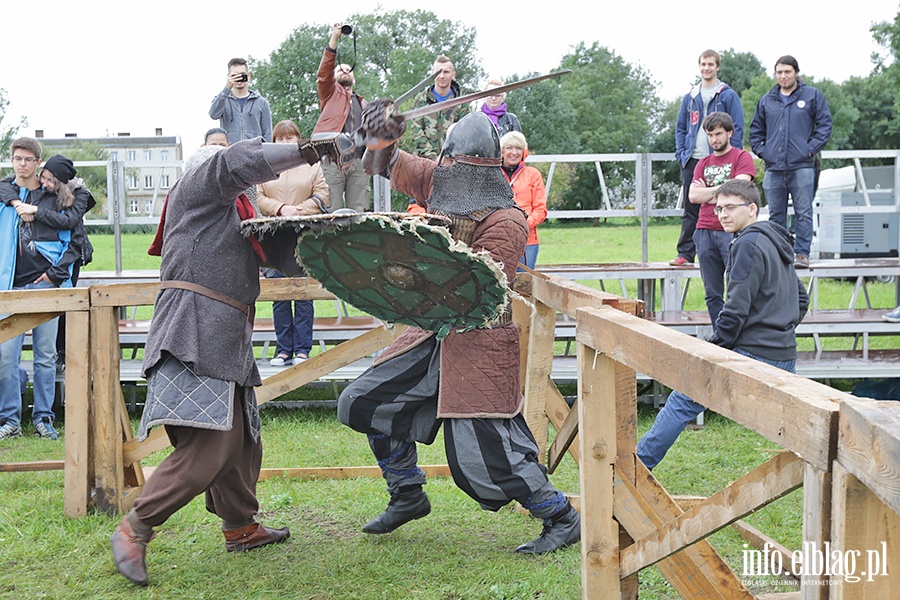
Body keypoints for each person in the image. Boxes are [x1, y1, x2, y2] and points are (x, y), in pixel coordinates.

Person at [338, 109, 580, 555]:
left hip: (479, 342)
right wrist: (381, 132)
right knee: (363, 402)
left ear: (480, 168)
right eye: (446, 167)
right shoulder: (440, 179)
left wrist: (426, 251)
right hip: (429, 334)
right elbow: (383, 161)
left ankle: (561, 516)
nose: (449, 175)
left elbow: (482, 288)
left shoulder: (507, 220)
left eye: (458, 169)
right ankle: (408, 493)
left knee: (489, 452)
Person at [110, 138, 319, 586]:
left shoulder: (234, 214)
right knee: (210, 446)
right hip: (193, 331)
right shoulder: (197, 190)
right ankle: (136, 526)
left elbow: (284, 251)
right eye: (239, 183)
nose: (244, 188)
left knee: (242, 443)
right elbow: (232, 163)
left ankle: (241, 527)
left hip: (226, 338)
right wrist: (308, 151)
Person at [637, 179, 809, 470]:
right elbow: (802, 300)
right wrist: (781, 328)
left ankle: (637, 467)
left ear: (752, 208)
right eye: (718, 209)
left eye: (730, 207)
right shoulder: (776, 240)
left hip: (754, 353)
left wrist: (714, 350)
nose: (723, 214)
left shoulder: (746, 243)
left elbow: (735, 309)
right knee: (796, 429)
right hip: (785, 355)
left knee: (684, 397)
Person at [0, 143, 86, 441]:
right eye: (17, 159)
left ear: (38, 162)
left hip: (46, 286)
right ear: (11, 160)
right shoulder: (4, 195)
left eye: (28, 159)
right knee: (5, 356)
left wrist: (54, 273)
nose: (22, 165)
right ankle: (9, 418)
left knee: (46, 355)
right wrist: (14, 204)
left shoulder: (55, 197)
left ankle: (43, 418)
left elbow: (74, 241)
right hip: (8, 288)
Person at [257, 120, 330, 367]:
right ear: (274, 142)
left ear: (298, 139)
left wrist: (299, 210)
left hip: (303, 235)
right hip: (274, 238)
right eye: (281, 138)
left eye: (291, 138)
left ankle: (302, 350)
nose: (286, 142)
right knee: (279, 296)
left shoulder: (312, 165)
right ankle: (283, 350)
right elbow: (258, 198)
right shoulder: (264, 167)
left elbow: (322, 195)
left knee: (303, 294)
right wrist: (280, 208)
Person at [750, 55, 832, 269]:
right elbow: (756, 130)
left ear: (796, 72)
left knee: (803, 211)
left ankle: (802, 254)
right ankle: (779, 253)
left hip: (802, 166)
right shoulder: (767, 100)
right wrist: (763, 152)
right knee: (775, 213)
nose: (783, 76)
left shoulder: (812, 95)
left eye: (787, 71)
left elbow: (825, 125)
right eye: (779, 72)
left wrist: (810, 149)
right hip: (774, 167)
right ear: (775, 74)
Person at [671, 49, 744, 267]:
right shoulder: (690, 97)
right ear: (699, 66)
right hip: (693, 159)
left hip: (720, 159)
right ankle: (685, 253)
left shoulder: (728, 95)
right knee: (690, 207)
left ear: (717, 67)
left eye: (711, 64)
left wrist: (733, 157)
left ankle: (731, 249)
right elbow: (681, 128)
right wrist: (681, 153)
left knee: (725, 202)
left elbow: (737, 127)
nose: (706, 68)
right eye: (703, 64)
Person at [688, 112, 756, 326]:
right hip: (704, 230)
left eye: (718, 134)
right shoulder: (703, 162)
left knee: (738, 286)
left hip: (733, 231)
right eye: (710, 135)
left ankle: (739, 332)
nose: (714, 139)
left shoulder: (741, 157)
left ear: (729, 133)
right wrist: (727, 189)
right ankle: (721, 334)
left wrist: (709, 193)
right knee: (712, 292)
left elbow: (741, 190)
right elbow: (693, 196)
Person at [42, 157, 97, 374]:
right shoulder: (42, 193)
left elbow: (71, 223)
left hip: (71, 254)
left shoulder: (79, 194)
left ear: (62, 182)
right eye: (43, 178)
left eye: (51, 180)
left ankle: (64, 352)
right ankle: (53, 351)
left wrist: (60, 267)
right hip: (48, 254)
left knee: (65, 304)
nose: (45, 183)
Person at [313, 23, 370, 212]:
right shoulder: (329, 94)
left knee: (358, 213)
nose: (344, 71)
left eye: (348, 69)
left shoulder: (364, 103)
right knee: (331, 211)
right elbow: (324, 74)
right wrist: (334, 40)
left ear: (354, 77)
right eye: (340, 69)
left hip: (359, 162)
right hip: (333, 160)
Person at [406, 55, 469, 213]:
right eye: (438, 72)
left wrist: (447, 160)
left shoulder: (462, 103)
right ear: (431, 74)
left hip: (454, 168)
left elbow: (465, 135)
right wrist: (433, 159)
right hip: (424, 165)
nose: (441, 76)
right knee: (419, 208)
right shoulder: (420, 100)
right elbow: (416, 132)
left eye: (446, 72)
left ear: (453, 75)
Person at [499, 131, 547, 269]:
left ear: (524, 152)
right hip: (499, 239)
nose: (514, 152)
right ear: (502, 151)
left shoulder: (533, 174)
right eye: (509, 148)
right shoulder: (493, 174)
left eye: (518, 148)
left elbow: (540, 209)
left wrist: (523, 225)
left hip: (527, 240)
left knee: (524, 284)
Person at [208, 57, 273, 144]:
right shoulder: (222, 99)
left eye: (242, 75)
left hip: (254, 152)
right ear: (228, 77)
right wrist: (226, 89)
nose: (239, 79)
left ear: (248, 75)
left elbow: (267, 133)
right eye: (234, 75)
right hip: (230, 151)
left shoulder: (261, 102)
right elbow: (213, 114)